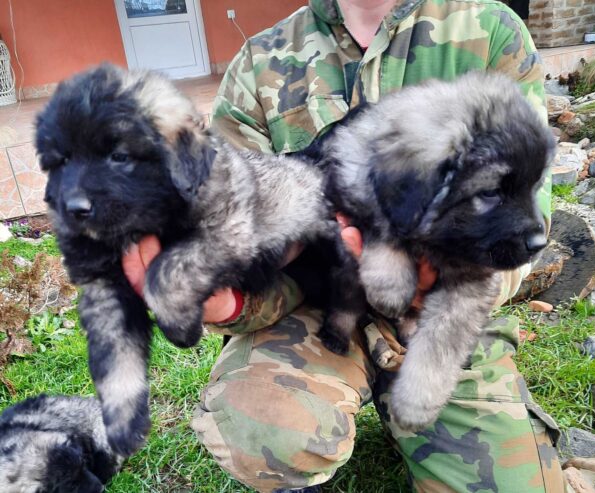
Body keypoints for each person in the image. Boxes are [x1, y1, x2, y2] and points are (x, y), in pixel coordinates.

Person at [123, 0, 565, 491]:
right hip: (316, 306)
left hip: (446, 312)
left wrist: (433, 283)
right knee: (264, 429)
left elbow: (522, 225)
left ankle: (418, 415)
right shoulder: (260, 61)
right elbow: (244, 215)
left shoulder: (488, 29)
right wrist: (234, 302)